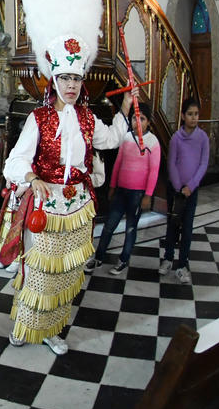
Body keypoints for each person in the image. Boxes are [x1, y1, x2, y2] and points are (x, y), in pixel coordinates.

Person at [2, 0, 135, 356]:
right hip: (46, 206)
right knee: (40, 272)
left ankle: (56, 329)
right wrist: (31, 179)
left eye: (77, 79)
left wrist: (126, 112)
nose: (73, 86)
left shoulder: (89, 117)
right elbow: (15, 162)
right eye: (65, 80)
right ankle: (26, 325)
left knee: (69, 274)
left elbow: (110, 141)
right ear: (54, 80)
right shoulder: (38, 120)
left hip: (79, 205)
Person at [85, 103, 160, 275]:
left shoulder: (152, 142)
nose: (138, 122)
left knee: (130, 229)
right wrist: (112, 186)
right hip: (121, 191)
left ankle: (123, 260)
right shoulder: (126, 138)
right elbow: (118, 163)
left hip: (138, 193)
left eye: (142, 119)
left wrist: (148, 195)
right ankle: (99, 257)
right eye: (135, 118)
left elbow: (154, 171)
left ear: (148, 122)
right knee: (109, 225)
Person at [161, 98, 209, 284]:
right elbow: (171, 163)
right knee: (172, 224)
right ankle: (168, 259)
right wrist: (179, 186)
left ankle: (182, 265)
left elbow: (203, 163)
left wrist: (191, 186)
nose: (194, 118)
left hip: (192, 190)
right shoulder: (176, 138)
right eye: (190, 114)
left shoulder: (202, 138)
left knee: (187, 229)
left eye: (196, 114)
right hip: (176, 190)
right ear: (183, 116)